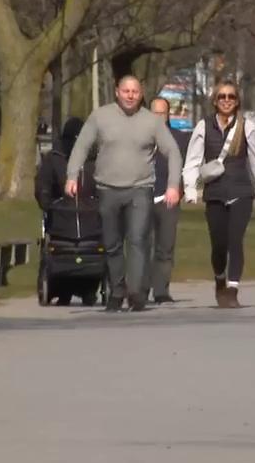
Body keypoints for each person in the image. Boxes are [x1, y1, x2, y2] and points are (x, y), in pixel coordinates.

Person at [66, 76, 183, 313]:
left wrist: (173, 185)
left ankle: (136, 293)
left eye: (135, 91)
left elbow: (173, 152)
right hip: (107, 189)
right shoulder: (100, 116)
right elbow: (82, 146)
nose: (130, 95)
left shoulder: (152, 121)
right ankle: (117, 292)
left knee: (138, 240)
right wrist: (71, 176)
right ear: (117, 92)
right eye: (126, 91)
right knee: (112, 244)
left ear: (141, 94)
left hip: (140, 188)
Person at [182, 79, 255, 309]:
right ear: (215, 100)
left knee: (236, 240)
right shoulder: (204, 126)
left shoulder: (248, 127)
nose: (226, 100)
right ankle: (220, 278)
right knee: (219, 244)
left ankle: (232, 288)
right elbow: (192, 161)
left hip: (241, 192)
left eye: (231, 96)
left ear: (237, 101)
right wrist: (190, 189)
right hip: (214, 193)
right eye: (222, 96)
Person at [36, 117, 100, 306]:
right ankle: (62, 289)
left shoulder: (95, 161)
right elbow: (43, 188)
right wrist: (50, 204)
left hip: (91, 221)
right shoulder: (53, 160)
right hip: (61, 220)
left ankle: (88, 288)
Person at [147, 98, 192, 304]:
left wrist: (182, 189)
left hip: (168, 199)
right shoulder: (141, 137)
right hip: (142, 198)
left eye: (162, 113)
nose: (158, 117)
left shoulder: (179, 139)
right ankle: (139, 290)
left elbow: (189, 165)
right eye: (155, 113)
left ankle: (161, 292)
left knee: (165, 247)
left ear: (168, 115)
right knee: (142, 246)